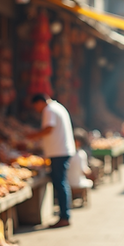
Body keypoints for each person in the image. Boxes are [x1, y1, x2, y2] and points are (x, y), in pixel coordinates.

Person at [27, 94, 76, 229]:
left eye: (35, 106)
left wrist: (32, 136)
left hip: (58, 152)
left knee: (60, 183)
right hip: (61, 150)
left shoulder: (49, 110)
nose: (36, 110)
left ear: (39, 103)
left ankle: (64, 216)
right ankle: (64, 214)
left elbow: (49, 128)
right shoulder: (57, 107)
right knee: (62, 183)